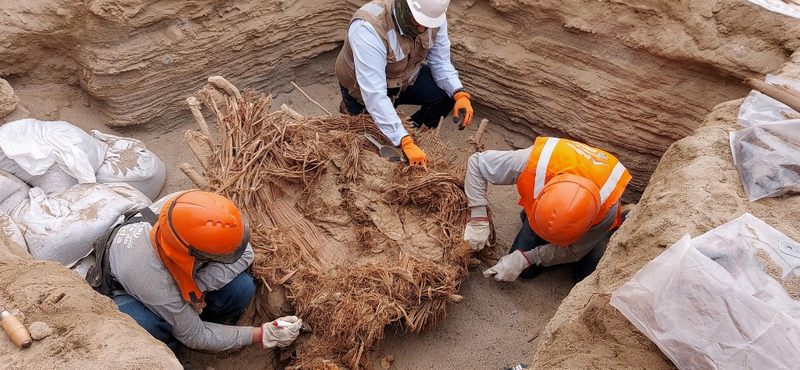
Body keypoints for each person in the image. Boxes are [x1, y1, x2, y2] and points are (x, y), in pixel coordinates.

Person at [86, 190, 302, 352]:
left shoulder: (193, 207)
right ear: (191, 255)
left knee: (242, 288)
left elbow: (245, 254)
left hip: (170, 271)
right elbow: (193, 335)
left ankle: (208, 327)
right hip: (131, 291)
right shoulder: (148, 276)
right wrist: (264, 335)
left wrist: (196, 287)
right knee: (147, 326)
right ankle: (171, 354)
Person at [462, 137, 632, 282]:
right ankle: (538, 223)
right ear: (541, 195)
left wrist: (528, 258)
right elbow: (477, 163)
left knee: (586, 276)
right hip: (556, 179)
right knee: (526, 273)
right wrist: (478, 218)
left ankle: (627, 217)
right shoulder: (530, 163)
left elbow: (574, 251)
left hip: (598, 223)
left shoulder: (606, 210)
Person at [335, 0, 474, 167]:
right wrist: (402, 140)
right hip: (363, 89)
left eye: (427, 25)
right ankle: (353, 109)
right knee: (371, 142)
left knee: (446, 95)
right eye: (417, 23)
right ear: (403, 6)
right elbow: (375, 94)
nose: (422, 30)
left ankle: (414, 130)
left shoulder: (432, 15)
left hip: (406, 78)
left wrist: (458, 91)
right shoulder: (368, 28)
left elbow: (440, 62)